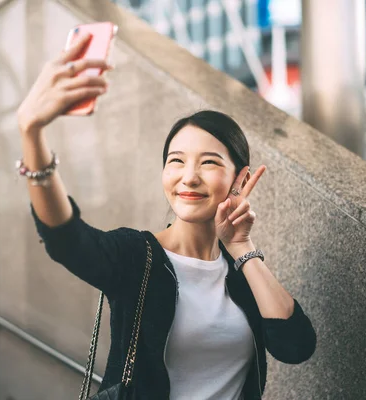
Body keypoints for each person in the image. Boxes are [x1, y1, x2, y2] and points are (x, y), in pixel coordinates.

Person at [17, 32, 316, 400]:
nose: (188, 176)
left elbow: (296, 346)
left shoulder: (241, 274)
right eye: (176, 162)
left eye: (208, 163)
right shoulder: (135, 255)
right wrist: (32, 134)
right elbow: (66, 240)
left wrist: (242, 247)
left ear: (240, 179)